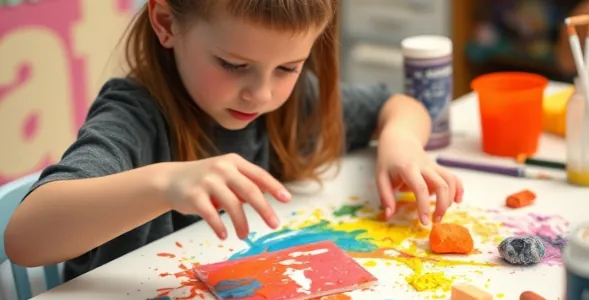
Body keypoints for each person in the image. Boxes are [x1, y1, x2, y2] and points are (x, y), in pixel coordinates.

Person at [4, 0, 463, 281]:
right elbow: (25, 238)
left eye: (288, 67)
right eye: (232, 64)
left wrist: (401, 142)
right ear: (165, 23)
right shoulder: (134, 116)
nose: (261, 94)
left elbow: (398, 105)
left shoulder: (290, 103)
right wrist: (166, 183)